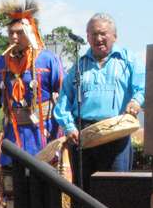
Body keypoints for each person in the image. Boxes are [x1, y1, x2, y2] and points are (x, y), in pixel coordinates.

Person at [0, 0, 64, 208]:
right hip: (13, 133)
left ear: (30, 31)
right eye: (11, 33)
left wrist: (61, 131)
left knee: (42, 182)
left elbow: (62, 97)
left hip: (41, 133)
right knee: (11, 183)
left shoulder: (47, 60)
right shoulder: (1, 62)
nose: (14, 37)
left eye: (19, 32)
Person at [53, 13, 145, 195]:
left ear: (114, 36)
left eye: (103, 33)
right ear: (87, 37)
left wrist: (136, 100)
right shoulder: (78, 66)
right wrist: (69, 126)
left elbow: (142, 86)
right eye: (93, 34)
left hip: (116, 133)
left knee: (116, 193)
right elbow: (64, 101)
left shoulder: (128, 60)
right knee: (84, 194)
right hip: (83, 136)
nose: (98, 38)